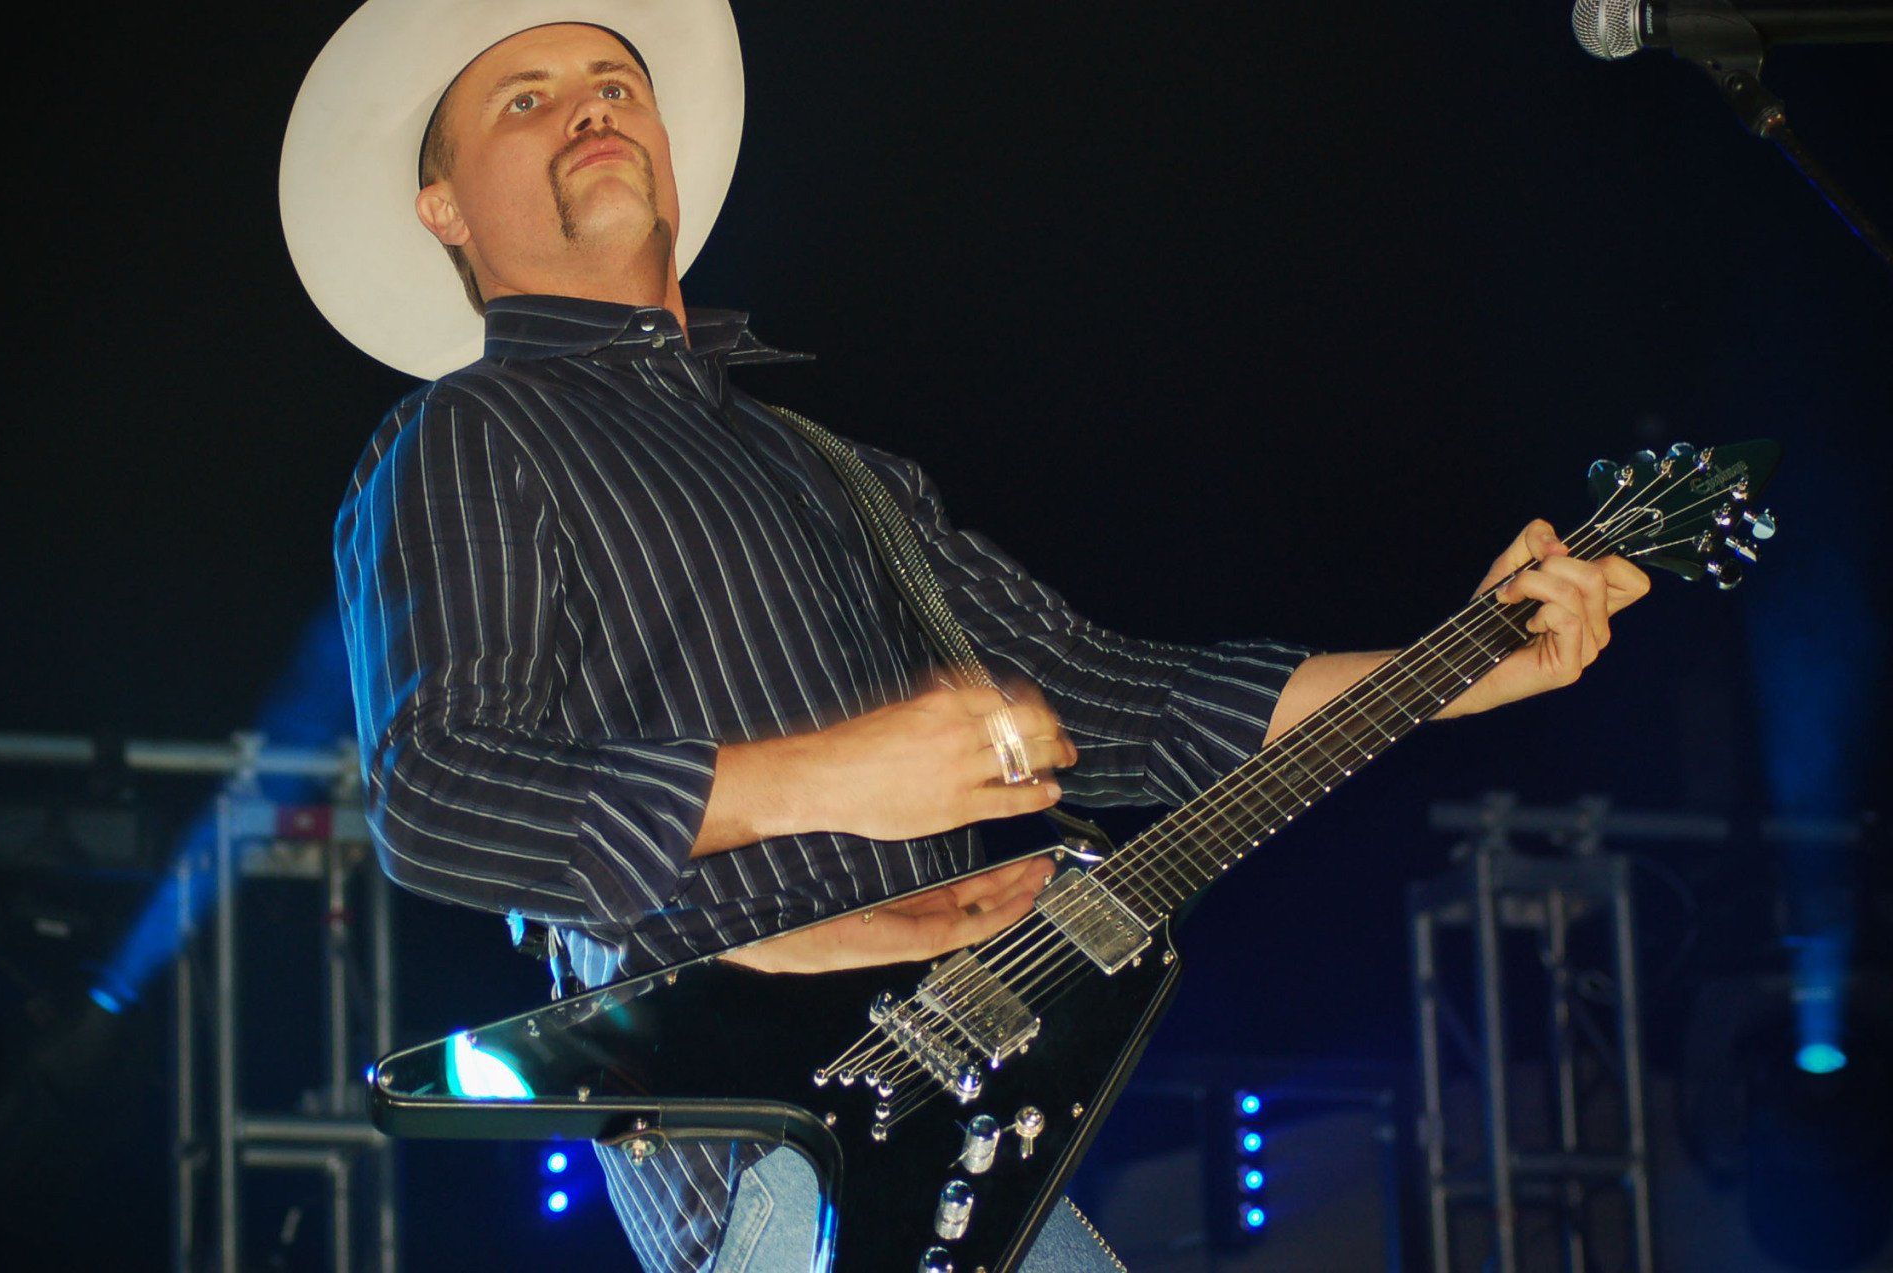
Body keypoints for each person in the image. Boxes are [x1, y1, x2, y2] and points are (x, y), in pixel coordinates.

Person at [285, 2, 1650, 1269]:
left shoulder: (840, 471)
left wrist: (1465, 658)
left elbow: (1134, 709)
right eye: (526, 98)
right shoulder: (462, 435)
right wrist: (838, 775)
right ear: (445, 203)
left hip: (964, 1149)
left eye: (612, 82)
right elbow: (441, 795)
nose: (589, 109)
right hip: (772, 1172)